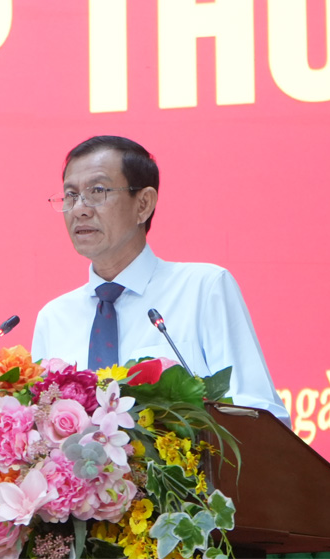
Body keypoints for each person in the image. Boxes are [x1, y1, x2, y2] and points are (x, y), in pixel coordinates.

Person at [31, 136, 290, 422]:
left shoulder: (203, 289)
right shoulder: (54, 318)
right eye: (70, 195)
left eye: (98, 191)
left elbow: (259, 414)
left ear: (143, 204)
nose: (80, 208)